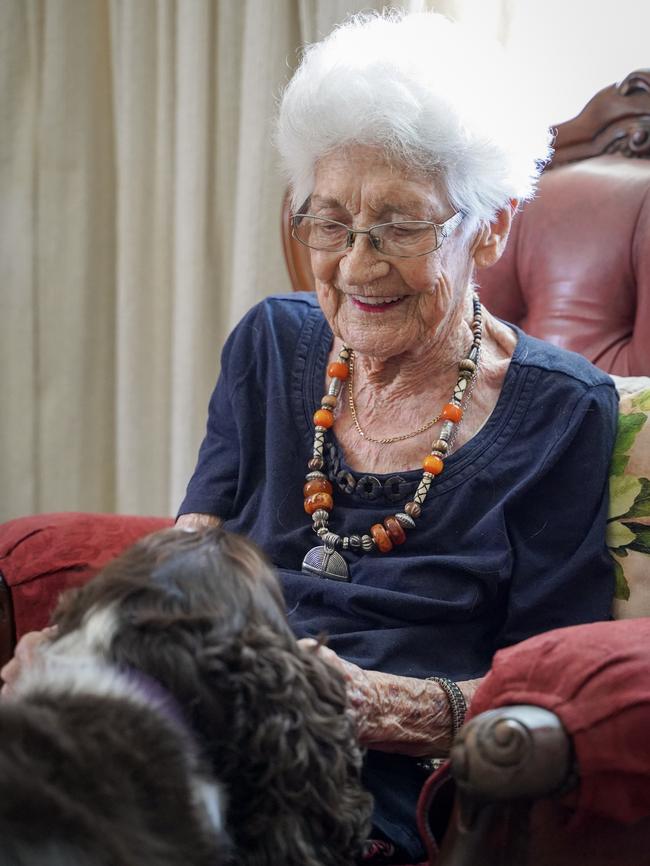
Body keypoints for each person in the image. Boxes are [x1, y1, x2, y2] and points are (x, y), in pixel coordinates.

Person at [2, 11, 618, 864]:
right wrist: (79, 647)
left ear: (494, 225)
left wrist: (384, 706)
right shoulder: (272, 342)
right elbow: (193, 552)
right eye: (328, 222)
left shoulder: (562, 410)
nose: (356, 265)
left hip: (374, 780)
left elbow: (552, 683)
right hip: (201, 720)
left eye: (401, 227)